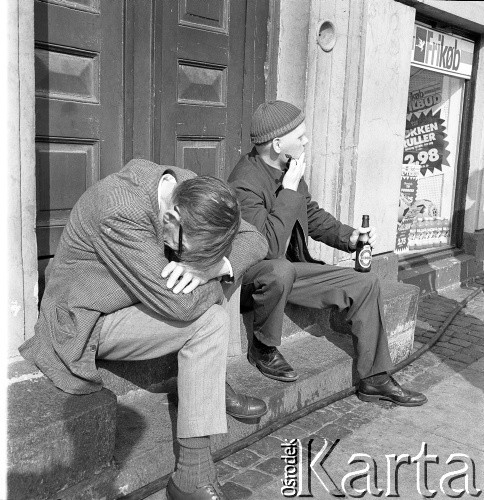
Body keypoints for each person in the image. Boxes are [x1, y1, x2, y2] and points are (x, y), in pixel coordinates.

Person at [19, 159, 269, 500]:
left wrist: (216, 267)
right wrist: (211, 276)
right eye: (185, 248)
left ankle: (206, 383)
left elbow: (254, 237)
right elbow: (180, 306)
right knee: (209, 318)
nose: (185, 258)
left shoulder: (188, 188)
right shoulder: (120, 211)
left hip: (136, 299)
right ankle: (191, 477)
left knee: (224, 271)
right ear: (171, 219)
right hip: (87, 319)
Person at [228, 100, 427, 407]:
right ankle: (262, 347)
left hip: (292, 270)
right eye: (301, 136)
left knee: (365, 283)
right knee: (279, 269)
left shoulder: (287, 168)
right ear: (278, 143)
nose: (307, 141)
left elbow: (310, 215)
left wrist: (350, 236)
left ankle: (374, 379)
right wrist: (289, 191)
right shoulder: (245, 182)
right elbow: (262, 247)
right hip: (255, 277)